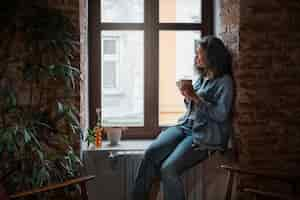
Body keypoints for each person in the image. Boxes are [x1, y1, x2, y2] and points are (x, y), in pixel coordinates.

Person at [131, 35, 234, 200]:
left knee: (168, 169)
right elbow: (192, 108)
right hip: (185, 126)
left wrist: (196, 98)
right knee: (150, 153)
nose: (196, 57)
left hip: (202, 135)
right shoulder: (202, 78)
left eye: (199, 53)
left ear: (211, 56)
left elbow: (221, 115)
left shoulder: (224, 82)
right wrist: (188, 96)